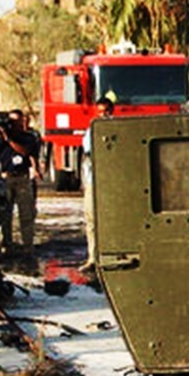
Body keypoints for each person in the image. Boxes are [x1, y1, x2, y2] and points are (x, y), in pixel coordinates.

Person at [0, 109, 42, 258]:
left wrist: (9, 138)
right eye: (12, 122)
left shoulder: (28, 137)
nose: (15, 125)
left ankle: (28, 246)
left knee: (26, 214)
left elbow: (25, 152)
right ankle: (7, 245)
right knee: (5, 215)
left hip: (22, 178)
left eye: (17, 121)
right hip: (5, 177)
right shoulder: (1, 138)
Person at [81, 97, 115, 271]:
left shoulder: (119, 130)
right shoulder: (91, 131)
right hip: (93, 181)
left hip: (113, 182)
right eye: (100, 112)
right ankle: (92, 258)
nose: (104, 115)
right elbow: (88, 154)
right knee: (91, 219)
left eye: (107, 111)